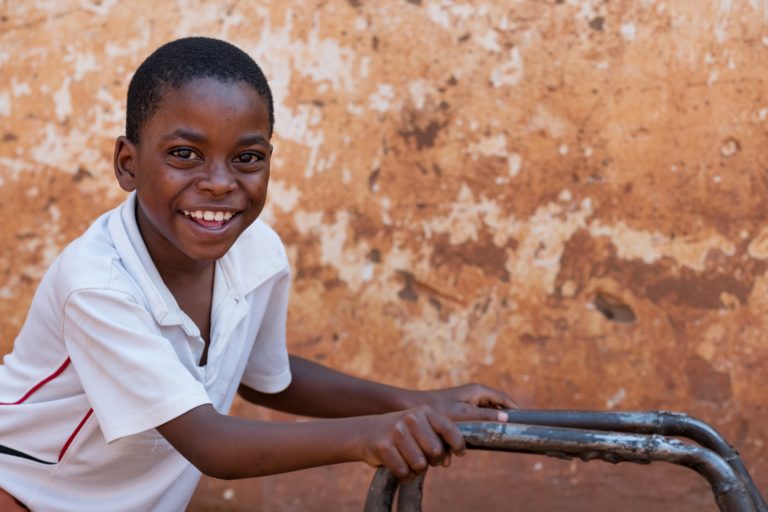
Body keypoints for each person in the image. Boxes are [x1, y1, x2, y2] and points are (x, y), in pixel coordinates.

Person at [0, 37, 516, 511]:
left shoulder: (256, 252)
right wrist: (373, 433)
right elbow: (212, 444)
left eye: (247, 157)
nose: (221, 183)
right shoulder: (98, 285)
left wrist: (413, 402)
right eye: (185, 155)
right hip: (23, 491)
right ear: (127, 164)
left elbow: (264, 378)